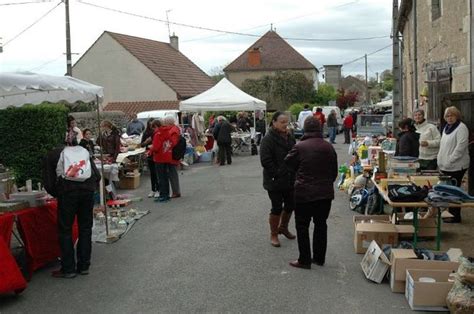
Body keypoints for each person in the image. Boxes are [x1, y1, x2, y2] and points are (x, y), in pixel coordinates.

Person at [285, 116, 338, 269]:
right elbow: (333, 171)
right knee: (321, 224)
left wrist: (298, 174)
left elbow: (288, 162)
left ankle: (304, 259)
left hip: (304, 192)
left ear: (305, 128)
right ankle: (319, 258)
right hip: (324, 193)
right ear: (320, 128)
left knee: (302, 226)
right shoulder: (328, 147)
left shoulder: (300, 146)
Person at [49, 135, 101, 278]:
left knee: (65, 230)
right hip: (87, 192)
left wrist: (58, 192)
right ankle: (84, 265)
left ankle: (68, 268)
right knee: (85, 228)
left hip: (67, 193)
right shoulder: (84, 152)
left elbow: (49, 181)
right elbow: (97, 175)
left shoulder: (55, 154)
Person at [260, 111, 296, 247]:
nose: (285, 125)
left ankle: (284, 227)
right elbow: (265, 160)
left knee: (291, 204)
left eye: (287, 122)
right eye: (282, 122)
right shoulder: (268, 139)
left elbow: (295, 153)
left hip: (290, 178)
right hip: (274, 180)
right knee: (276, 207)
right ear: (274, 122)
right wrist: (277, 173)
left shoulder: (290, 137)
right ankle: (274, 234)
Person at [437, 106, 470, 223]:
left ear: (457, 116)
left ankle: (456, 216)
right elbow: (443, 146)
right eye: (447, 116)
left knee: (454, 191)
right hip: (445, 165)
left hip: (456, 165)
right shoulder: (446, 128)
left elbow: (460, 147)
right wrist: (441, 160)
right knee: (448, 191)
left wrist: (450, 160)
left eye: (452, 115)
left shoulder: (461, 128)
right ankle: (450, 213)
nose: (449, 118)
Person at [151, 117, 180, 202]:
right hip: (167, 156)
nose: (153, 130)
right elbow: (171, 143)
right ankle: (166, 194)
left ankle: (163, 195)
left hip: (159, 157)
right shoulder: (167, 132)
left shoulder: (158, 134)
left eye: (153, 127)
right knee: (166, 176)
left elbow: (156, 147)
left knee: (161, 177)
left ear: (156, 126)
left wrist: (150, 149)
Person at [141, 118, 159, 198]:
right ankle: (153, 189)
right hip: (149, 154)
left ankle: (158, 189)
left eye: (153, 125)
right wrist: (146, 142)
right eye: (151, 125)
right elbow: (142, 144)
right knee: (152, 173)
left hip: (156, 153)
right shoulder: (146, 133)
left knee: (156, 172)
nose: (152, 127)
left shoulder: (157, 133)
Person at [164, 116, 181, 198]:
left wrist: (165, 146)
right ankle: (175, 191)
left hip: (172, 155)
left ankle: (176, 191)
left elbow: (173, 143)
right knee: (172, 173)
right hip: (171, 154)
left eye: (165, 122)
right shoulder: (173, 129)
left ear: (168, 122)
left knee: (172, 173)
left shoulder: (173, 130)